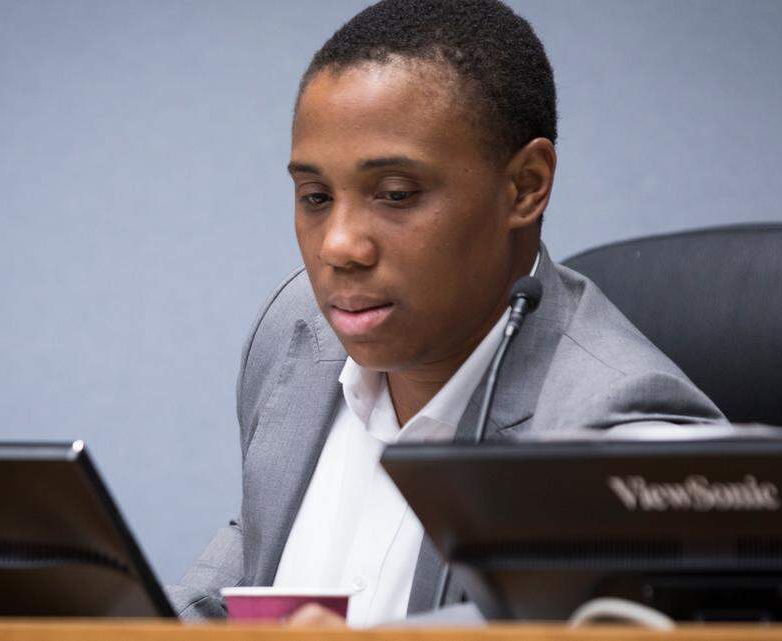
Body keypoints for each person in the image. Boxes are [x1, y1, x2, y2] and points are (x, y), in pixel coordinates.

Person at [169, 0, 724, 626]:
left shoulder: (618, 435)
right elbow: (253, 554)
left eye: (396, 195)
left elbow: (605, 621)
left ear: (526, 186)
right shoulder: (297, 329)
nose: (338, 247)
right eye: (316, 197)